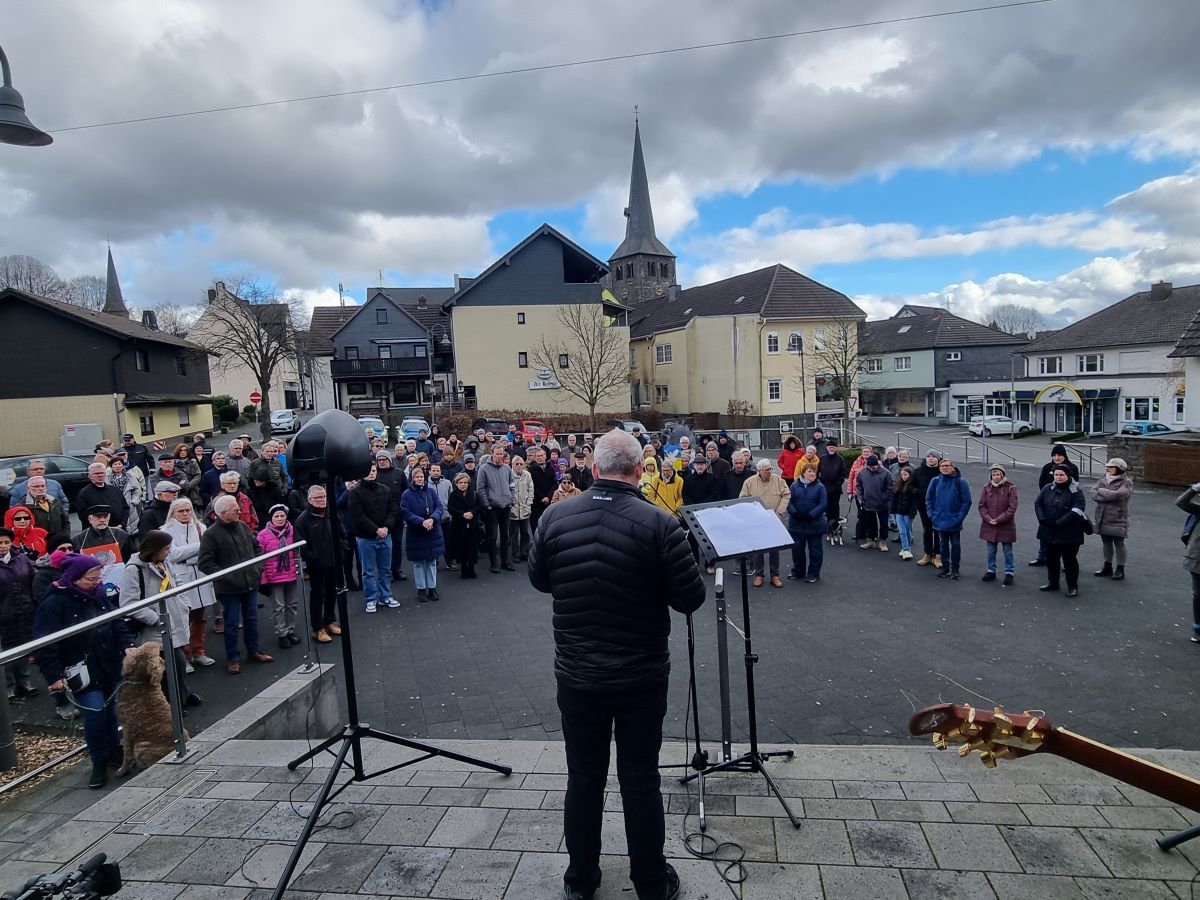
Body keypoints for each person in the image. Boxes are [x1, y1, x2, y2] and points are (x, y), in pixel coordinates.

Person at [529, 428, 703, 900]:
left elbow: (539, 579)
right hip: (640, 675)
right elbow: (691, 599)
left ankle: (581, 881)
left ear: (593, 466)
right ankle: (650, 882)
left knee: (583, 777)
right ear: (636, 469)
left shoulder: (554, 518)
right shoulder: (661, 525)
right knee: (640, 779)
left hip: (578, 673)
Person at [34, 554, 137, 788]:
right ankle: (98, 761)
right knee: (94, 712)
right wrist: (53, 675)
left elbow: (116, 621)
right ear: (75, 578)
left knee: (109, 709)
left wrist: (127, 644)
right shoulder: (54, 603)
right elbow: (45, 642)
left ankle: (113, 750)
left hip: (107, 660)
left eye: (98, 577)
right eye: (91, 578)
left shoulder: (99, 595)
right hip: (80, 667)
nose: (97, 582)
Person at [119, 530, 201, 708]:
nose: (169, 552)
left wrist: (184, 604)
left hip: (174, 619)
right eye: (166, 548)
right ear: (154, 550)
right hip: (156, 627)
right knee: (167, 668)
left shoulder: (164, 562)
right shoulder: (134, 570)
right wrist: (155, 619)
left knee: (178, 664)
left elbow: (177, 582)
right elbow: (128, 602)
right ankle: (172, 705)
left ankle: (182, 696)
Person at [198, 494, 274, 674]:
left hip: (250, 582)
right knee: (231, 624)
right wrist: (228, 577)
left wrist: (257, 569)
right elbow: (205, 563)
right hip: (229, 588)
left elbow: (256, 548)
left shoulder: (242, 526)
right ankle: (233, 658)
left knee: (252, 619)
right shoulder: (211, 534)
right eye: (235, 510)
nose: (240, 511)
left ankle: (254, 650)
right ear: (223, 513)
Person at [159, 498, 217, 667]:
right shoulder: (165, 531)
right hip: (181, 579)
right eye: (181, 511)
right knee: (183, 619)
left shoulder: (201, 528)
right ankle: (185, 656)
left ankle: (199, 651)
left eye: (188, 510)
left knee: (200, 618)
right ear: (173, 513)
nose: (185, 514)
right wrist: (199, 546)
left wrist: (189, 555)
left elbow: (209, 551)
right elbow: (173, 555)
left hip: (201, 577)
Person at [348, 463, 397, 614]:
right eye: (368, 471)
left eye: (374, 470)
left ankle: (386, 595)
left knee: (385, 569)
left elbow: (393, 510)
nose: (372, 473)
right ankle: (371, 599)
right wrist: (376, 530)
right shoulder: (355, 492)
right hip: (366, 538)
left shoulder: (385, 489)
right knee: (368, 571)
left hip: (385, 536)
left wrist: (386, 528)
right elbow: (358, 516)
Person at [294, 485, 340, 643]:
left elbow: (340, 531)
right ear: (309, 499)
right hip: (317, 565)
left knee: (332, 592)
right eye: (318, 498)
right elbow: (301, 546)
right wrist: (314, 557)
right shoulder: (303, 520)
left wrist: (342, 548)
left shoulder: (330, 514)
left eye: (324, 497)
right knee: (317, 595)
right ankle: (317, 628)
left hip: (333, 560)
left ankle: (330, 620)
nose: (322, 500)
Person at [1035, 464, 1087, 597]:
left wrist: (1060, 522)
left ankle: (1072, 587)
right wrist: (1042, 519)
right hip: (1049, 531)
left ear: (1068, 475)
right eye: (1056, 475)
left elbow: (1078, 509)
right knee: (1052, 559)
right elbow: (1038, 503)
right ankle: (1053, 583)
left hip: (1069, 532)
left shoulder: (1076, 491)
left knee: (1069, 561)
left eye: (1062, 475)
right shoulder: (1048, 488)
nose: (1058, 477)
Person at [0, 527, 38, 700]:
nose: (3, 546)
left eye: (6, 542)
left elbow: (33, 580)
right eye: (0, 543)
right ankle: (7, 687)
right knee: (5, 650)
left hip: (23, 610)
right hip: (4, 613)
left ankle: (24, 681)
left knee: (22, 647)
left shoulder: (21, 559)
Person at [740, 459, 790, 587]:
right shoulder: (749, 482)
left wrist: (779, 512)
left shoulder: (778, 480)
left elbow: (786, 495)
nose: (769, 471)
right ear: (759, 471)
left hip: (774, 519)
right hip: (757, 521)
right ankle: (759, 575)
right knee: (758, 549)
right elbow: (743, 500)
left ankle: (775, 575)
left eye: (770, 469)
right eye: (766, 470)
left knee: (775, 549)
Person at [257, 504, 301, 650]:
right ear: (271, 518)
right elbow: (260, 558)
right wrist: (263, 579)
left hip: (291, 574)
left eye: (282, 516)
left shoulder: (293, 531)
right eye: (277, 516)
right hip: (273, 576)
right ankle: (281, 633)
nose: (280, 518)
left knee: (292, 604)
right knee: (278, 607)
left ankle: (290, 630)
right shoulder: (263, 535)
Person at [1030, 444, 1080, 567]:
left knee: (1064, 536)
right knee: (1045, 533)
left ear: (1064, 456)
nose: (1056, 458)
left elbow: (1075, 487)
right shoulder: (1047, 467)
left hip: (1065, 507)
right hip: (1049, 506)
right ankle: (1042, 557)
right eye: (1054, 455)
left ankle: (1066, 562)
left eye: (1059, 455)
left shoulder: (1072, 468)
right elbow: (1041, 484)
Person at [400, 466, 445, 602]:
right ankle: (421, 589)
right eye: (417, 477)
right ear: (412, 478)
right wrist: (421, 521)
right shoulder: (406, 494)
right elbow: (405, 511)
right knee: (419, 563)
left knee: (431, 561)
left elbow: (439, 507)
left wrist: (432, 518)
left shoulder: (430, 492)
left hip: (432, 531)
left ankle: (432, 588)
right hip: (417, 532)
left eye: (421, 477)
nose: (419, 479)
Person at [926, 457, 972, 580]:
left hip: (954, 520)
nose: (945, 468)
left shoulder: (961, 482)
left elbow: (966, 502)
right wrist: (932, 514)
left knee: (956, 545)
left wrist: (959, 517)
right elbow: (929, 499)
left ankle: (955, 569)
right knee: (943, 545)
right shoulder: (935, 481)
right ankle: (945, 568)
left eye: (947, 466)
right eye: (942, 466)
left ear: (952, 467)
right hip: (939, 519)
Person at [1091, 458, 1132, 581]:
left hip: (1118, 517)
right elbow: (1093, 492)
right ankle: (1107, 566)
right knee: (1106, 541)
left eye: (1112, 467)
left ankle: (1120, 568)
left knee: (1119, 543)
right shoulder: (1104, 478)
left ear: (1119, 468)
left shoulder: (1126, 481)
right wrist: (1107, 496)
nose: (1109, 469)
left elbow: (1119, 495)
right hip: (1102, 517)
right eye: (1108, 467)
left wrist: (1102, 491)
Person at [477, 444, 516, 574]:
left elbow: (512, 486)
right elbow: (481, 489)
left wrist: (512, 499)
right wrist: (486, 505)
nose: (499, 456)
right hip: (491, 508)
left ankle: (505, 562)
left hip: (506, 507)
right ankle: (494, 563)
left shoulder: (507, 468)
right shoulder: (484, 469)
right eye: (497, 454)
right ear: (492, 454)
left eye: (501, 454)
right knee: (492, 537)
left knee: (505, 536)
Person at [977, 464, 1019, 585]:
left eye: (998, 474)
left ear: (1002, 475)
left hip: (1005, 525)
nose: (996, 477)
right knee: (991, 550)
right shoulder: (986, 488)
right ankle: (991, 570)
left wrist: (998, 519)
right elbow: (981, 506)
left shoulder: (1011, 488)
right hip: (989, 524)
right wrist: (988, 518)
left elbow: (1012, 508)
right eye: (994, 474)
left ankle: (1009, 572)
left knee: (1007, 550)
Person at [787, 464, 827, 583]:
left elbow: (823, 504)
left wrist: (811, 515)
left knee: (815, 551)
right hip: (797, 524)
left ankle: (813, 573)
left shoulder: (820, 487)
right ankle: (798, 571)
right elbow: (789, 501)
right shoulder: (794, 486)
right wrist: (795, 513)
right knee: (797, 550)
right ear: (803, 473)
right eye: (810, 471)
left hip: (815, 524)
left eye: (814, 472)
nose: (813, 474)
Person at [373, 452, 408, 582]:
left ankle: (397, 569)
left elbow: (406, 492)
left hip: (397, 516)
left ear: (389, 460)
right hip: (380, 518)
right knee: (382, 545)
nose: (381, 462)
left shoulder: (399, 473)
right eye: (379, 460)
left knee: (397, 543)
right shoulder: (374, 474)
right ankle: (385, 571)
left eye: (384, 459)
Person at [1177, 481, 1200, 644]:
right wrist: (1194, 489)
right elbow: (1181, 502)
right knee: (1198, 594)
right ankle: (1198, 628)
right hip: (1197, 558)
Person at [911, 450, 943, 568]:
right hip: (923, 506)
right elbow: (911, 486)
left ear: (938, 459)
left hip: (940, 507)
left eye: (933, 457)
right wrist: (918, 492)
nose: (931, 458)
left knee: (938, 531)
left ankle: (938, 555)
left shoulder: (942, 471)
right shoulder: (918, 472)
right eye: (928, 456)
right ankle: (928, 554)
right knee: (927, 530)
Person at [448, 472, 481, 579]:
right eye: (460, 482)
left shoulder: (474, 494)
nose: (463, 484)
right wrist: (462, 514)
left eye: (465, 482)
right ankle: (463, 568)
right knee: (461, 548)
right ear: (456, 484)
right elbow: (451, 508)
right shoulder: (453, 495)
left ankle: (471, 568)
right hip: (459, 526)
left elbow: (479, 506)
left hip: (472, 526)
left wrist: (472, 513)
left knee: (472, 548)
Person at [856, 455, 893, 552]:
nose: (872, 469)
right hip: (868, 503)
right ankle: (871, 540)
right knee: (870, 523)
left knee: (884, 524)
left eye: (874, 467)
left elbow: (890, 489)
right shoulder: (862, 473)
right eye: (870, 467)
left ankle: (883, 541)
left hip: (882, 503)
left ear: (877, 464)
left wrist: (884, 498)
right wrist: (860, 497)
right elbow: (859, 486)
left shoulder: (886, 473)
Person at [75, 463, 129, 530]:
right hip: (98, 533)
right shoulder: (84, 494)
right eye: (96, 473)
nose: (100, 475)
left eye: (102, 473)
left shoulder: (114, 490)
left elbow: (125, 508)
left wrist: (122, 524)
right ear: (90, 476)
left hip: (119, 530)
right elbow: (83, 516)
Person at [509, 456, 535, 563]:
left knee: (525, 533)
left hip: (525, 509)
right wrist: (510, 505)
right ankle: (516, 554)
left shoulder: (527, 475)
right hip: (513, 510)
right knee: (514, 535)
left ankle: (524, 552)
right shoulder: (508, 475)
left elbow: (531, 490)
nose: (519, 466)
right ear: (512, 465)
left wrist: (528, 504)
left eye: (521, 464)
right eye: (517, 464)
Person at [891, 466, 920, 561]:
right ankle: (906, 549)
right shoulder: (898, 485)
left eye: (905, 475)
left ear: (910, 475)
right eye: (902, 475)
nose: (903, 477)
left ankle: (907, 548)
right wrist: (893, 510)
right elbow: (894, 500)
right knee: (902, 531)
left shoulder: (913, 487)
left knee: (906, 531)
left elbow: (915, 502)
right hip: (899, 512)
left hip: (908, 513)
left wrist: (912, 513)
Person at [817, 440, 846, 533]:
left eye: (833, 447)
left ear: (836, 448)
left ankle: (835, 526)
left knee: (835, 508)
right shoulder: (823, 458)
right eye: (830, 447)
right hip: (825, 487)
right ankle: (828, 526)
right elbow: (818, 471)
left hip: (836, 489)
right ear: (827, 448)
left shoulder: (840, 459)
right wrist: (821, 482)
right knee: (827, 508)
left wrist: (838, 483)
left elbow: (843, 473)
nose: (831, 449)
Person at [528, 447, 557, 535]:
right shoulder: (531, 469)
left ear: (545, 456)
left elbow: (554, 483)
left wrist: (548, 497)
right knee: (536, 527)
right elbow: (532, 486)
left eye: (541, 455)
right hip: (536, 503)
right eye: (538, 456)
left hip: (549, 501)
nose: (540, 457)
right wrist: (542, 497)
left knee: (549, 526)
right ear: (535, 457)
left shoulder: (551, 468)